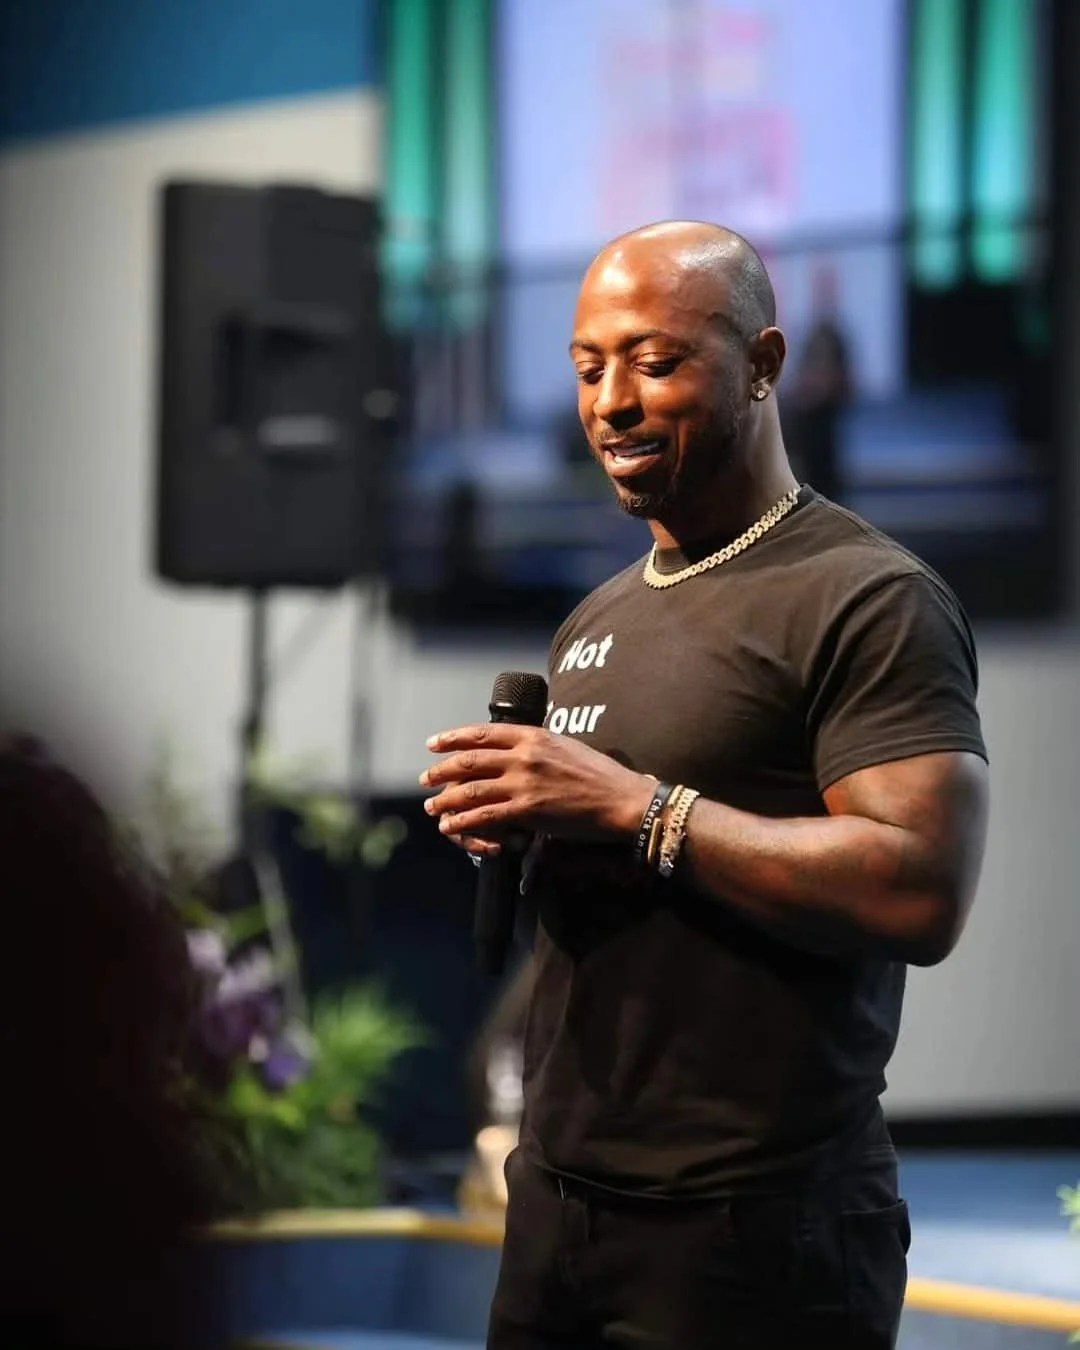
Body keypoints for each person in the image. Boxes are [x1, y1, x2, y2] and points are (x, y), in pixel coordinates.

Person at [420, 222, 989, 1349]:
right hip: (559, 1213)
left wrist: (640, 812)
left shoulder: (867, 598)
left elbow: (921, 888)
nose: (611, 401)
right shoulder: (596, 619)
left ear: (764, 366)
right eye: (589, 368)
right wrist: (529, 830)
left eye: (655, 361)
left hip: (753, 1238)